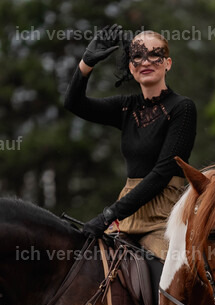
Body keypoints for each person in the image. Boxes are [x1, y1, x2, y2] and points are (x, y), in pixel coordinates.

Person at [64, 26, 197, 259]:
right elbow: (74, 103)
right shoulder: (126, 107)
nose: (145, 62)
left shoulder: (182, 108)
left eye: (154, 55)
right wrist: (86, 64)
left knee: (175, 278)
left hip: (164, 218)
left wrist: (108, 215)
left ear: (168, 63)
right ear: (130, 67)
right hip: (125, 217)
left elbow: (162, 173)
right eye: (137, 56)